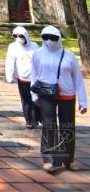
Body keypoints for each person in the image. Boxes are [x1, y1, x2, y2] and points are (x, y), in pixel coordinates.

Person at [30, 26, 87, 173]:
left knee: (67, 127)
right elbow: (34, 75)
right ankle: (49, 159)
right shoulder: (37, 54)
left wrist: (83, 101)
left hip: (67, 94)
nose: (49, 41)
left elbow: (78, 79)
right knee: (49, 126)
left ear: (59, 38)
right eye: (46, 37)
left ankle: (68, 160)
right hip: (46, 94)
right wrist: (34, 95)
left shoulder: (69, 56)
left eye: (53, 38)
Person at [5, 26, 41, 128]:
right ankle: (29, 120)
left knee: (36, 98)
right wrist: (9, 75)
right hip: (22, 78)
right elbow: (10, 61)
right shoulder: (13, 47)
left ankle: (38, 118)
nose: (18, 37)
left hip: (35, 78)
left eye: (20, 35)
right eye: (15, 36)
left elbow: (40, 60)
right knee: (26, 100)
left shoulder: (34, 46)